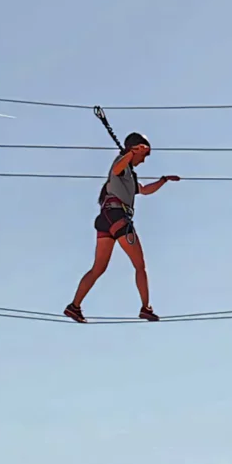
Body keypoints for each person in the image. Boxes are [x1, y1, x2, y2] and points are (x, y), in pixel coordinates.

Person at [64, 132, 179, 323]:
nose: (143, 161)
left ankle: (74, 306)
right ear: (135, 150)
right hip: (118, 217)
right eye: (143, 155)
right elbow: (117, 168)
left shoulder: (129, 175)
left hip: (105, 220)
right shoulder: (121, 163)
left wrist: (163, 180)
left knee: (98, 268)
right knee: (140, 265)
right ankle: (146, 307)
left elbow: (144, 190)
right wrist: (129, 153)